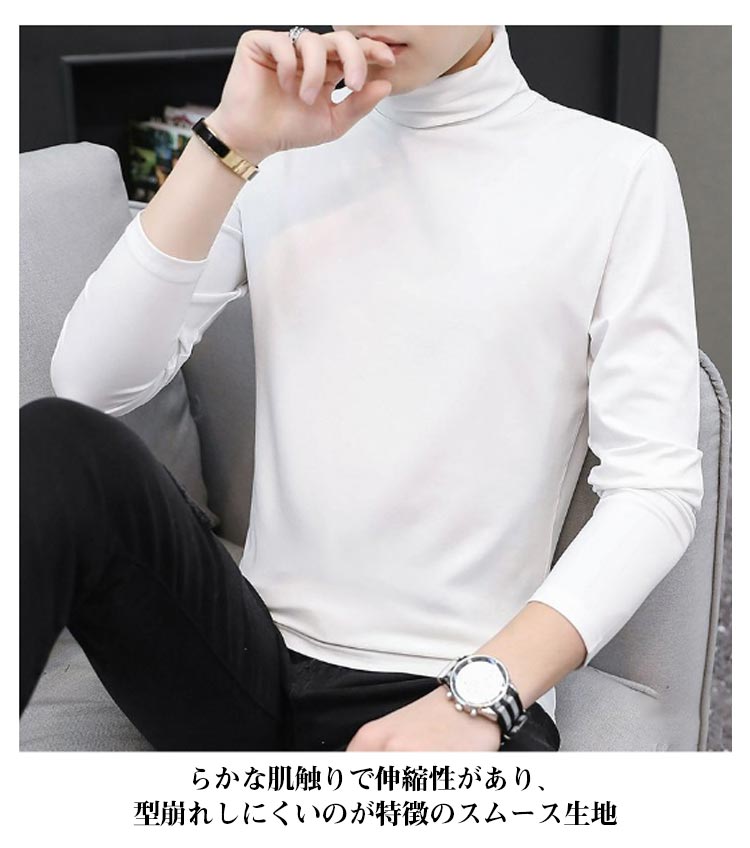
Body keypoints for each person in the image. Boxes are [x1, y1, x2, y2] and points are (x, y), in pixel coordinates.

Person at [20, 25, 703, 752]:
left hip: (445, 682)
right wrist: (229, 142)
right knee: (58, 445)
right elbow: (93, 383)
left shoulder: (616, 172)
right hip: (241, 652)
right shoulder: (279, 148)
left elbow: (654, 488)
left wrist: (483, 695)